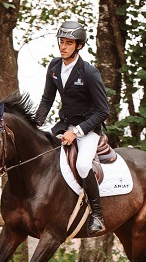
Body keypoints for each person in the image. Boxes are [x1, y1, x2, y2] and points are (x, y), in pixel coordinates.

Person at [36, 20, 110, 235]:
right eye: (61, 42)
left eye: (69, 43)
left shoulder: (89, 73)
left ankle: (97, 215)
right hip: (63, 124)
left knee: (83, 166)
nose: (63, 47)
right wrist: (36, 122)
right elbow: (47, 99)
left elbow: (103, 111)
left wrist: (77, 131)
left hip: (88, 128)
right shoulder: (54, 67)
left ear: (79, 46)